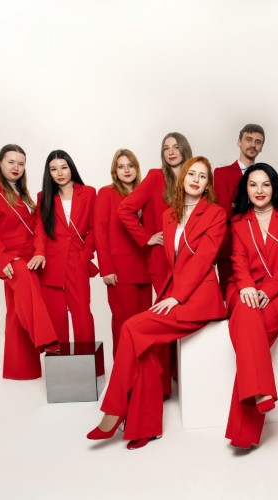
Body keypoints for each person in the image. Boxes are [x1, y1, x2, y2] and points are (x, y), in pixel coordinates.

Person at [87, 156, 226, 450]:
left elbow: (202, 260)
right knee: (143, 345)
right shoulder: (169, 215)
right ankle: (145, 425)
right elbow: (172, 263)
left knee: (131, 329)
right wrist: (168, 295)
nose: (196, 180)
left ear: (207, 185)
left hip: (199, 299)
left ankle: (114, 410)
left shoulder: (215, 214)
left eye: (202, 176)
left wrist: (176, 296)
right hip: (173, 295)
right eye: (192, 174)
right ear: (182, 179)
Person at [224, 164, 278, 449]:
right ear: (245, 189)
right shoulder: (238, 221)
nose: (259, 190)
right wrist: (247, 286)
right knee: (247, 316)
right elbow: (238, 259)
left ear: (274, 187)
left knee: (251, 338)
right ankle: (261, 392)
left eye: (265, 184)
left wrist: (268, 291)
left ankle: (244, 430)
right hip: (246, 286)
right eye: (253, 184)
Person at [0, 144, 60, 379]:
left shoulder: (23, 193)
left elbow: (36, 226)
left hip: (31, 255)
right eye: (11, 162)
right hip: (9, 255)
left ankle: (21, 370)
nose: (16, 167)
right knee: (27, 287)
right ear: (0, 163)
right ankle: (46, 339)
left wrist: (40, 251)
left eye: (21, 163)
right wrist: (2, 258)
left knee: (15, 308)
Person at [118, 132, 193, 396]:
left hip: (190, 261)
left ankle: (181, 378)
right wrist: (146, 237)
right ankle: (160, 387)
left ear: (184, 149)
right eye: (165, 148)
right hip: (161, 262)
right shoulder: (154, 177)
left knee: (187, 318)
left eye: (175, 147)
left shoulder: (195, 177)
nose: (170, 152)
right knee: (163, 321)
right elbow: (125, 210)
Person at [32, 150, 97, 344]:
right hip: (51, 264)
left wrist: (85, 255)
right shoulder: (44, 197)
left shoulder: (89, 192)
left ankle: (88, 360)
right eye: (54, 169)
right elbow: (40, 229)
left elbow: (95, 228)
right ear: (49, 173)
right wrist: (39, 253)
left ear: (71, 168)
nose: (59, 173)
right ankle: (58, 361)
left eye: (64, 167)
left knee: (82, 315)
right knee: (55, 317)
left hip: (77, 260)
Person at [94, 149, 153, 356]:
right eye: (121, 166)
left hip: (145, 266)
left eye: (130, 166)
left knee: (145, 323)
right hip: (119, 270)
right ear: (115, 171)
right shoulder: (106, 193)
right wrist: (106, 268)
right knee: (123, 322)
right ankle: (123, 369)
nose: (126, 170)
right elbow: (99, 232)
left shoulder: (145, 193)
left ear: (137, 169)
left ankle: (142, 371)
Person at [214, 124, 266, 295]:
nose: (253, 145)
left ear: (261, 147)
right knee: (229, 295)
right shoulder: (222, 173)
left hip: (260, 245)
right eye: (248, 139)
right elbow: (224, 211)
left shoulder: (265, 175)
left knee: (256, 295)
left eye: (258, 142)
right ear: (239, 142)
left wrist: (236, 205)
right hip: (230, 244)